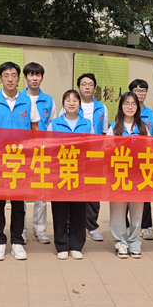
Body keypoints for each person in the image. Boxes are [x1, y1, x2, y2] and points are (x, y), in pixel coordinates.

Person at [0, 61, 39, 261]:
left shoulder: (28, 101)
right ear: (0, 79)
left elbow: (35, 130)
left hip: (20, 160)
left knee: (18, 203)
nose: (10, 79)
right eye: (6, 75)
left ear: (18, 78)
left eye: (14, 75)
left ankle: (17, 241)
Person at [49, 90, 91, 260]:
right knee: (59, 210)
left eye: (75, 100)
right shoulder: (54, 123)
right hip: (59, 172)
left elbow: (93, 147)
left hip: (80, 172)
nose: (71, 103)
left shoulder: (87, 124)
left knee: (78, 210)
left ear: (79, 104)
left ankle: (76, 245)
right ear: (63, 104)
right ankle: (61, 246)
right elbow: (48, 147)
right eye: (68, 100)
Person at [106, 92, 149, 259]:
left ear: (138, 107)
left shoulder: (144, 128)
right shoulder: (114, 128)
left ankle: (134, 241)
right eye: (126, 103)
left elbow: (152, 150)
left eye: (133, 104)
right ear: (121, 106)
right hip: (119, 174)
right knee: (117, 210)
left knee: (137, 210)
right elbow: (107, 151)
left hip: (138, 175)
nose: (129, 107)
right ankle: (120, 241)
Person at [22, 62, 55, 245]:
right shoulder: (19, 99)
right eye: (31, 75)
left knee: (41, 193)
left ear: (42, 77)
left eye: (37, 75)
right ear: (25, 77)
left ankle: (39, 230)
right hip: (22, 152)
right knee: (21, 193)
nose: (34, 78)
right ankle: (21, 230)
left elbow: (51, 127)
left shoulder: (48, 100)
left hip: (42, 152)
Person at [76, 73, 108, 241]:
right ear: (78, 87)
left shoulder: (102, 108)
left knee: (94, 191)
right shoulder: (72, 104)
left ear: (95, 88)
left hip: (95, 155)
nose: (87, 87)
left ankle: (92, 226)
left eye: (90, 84)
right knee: (75, 189)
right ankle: (74, 225)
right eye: (84, 84)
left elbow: (104, 133)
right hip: (75, 155)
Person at [129, 79, 153, 240]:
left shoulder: (152, 114)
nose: (140, 93)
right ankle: (127, 224)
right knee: (125, 191)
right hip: (126, 159)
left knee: (145, 192)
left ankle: (145, 226)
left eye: (143, 90)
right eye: (137, 90)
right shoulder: (124, 113)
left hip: (145, 158)